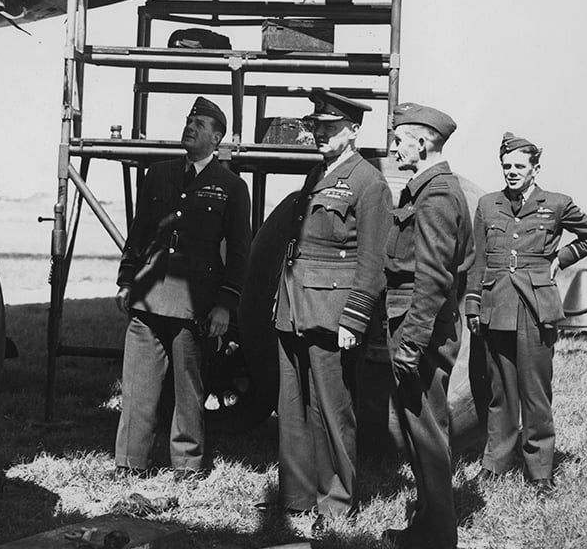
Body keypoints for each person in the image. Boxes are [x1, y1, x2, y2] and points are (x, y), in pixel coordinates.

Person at [268, 88, 392, 524]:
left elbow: (373, 260)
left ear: (353, 130)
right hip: (295, 305)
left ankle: (336, 503)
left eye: (330, 126)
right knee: (293, 405)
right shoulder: (316, 175)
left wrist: (355, 317)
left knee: (332, 410)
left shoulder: (368, 183)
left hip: (332, 312)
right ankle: (298, 496)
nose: (319, 133)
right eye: (316, 125)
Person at [114, 97, 251, 479]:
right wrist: (126, 280)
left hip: (195, 303)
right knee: (138, 387)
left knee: (189, 389)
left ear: (217, 138)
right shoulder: (159, 174)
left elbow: (240, 252)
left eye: (200, 124)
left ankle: (187, 465)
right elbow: (139, 232)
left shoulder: (231, 186)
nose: (190, 127)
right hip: (148, 297)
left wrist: (225, 304)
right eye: (189, 120)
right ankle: (129, 462)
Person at [465, 132, 587, 493]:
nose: (512, 172)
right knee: (500, 391)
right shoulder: (488, 204)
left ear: (535, 169)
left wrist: (561, 258)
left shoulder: (556, 204)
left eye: (519, 166)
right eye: (506, 166)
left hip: (536, 307)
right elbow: (478, 259)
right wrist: (473, 303)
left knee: (535, 393)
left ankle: (540, 471)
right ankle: (496, 463)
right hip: (497, 306)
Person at [381, 103, 474, 549]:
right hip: (418, 323)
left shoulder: (435, 196)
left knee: (428, 432)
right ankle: (426, 525)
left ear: (422, 142)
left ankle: (437, 536)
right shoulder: (428, 189)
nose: (394, 147)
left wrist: (411, 342)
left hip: (420, 328)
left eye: (400, 140)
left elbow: (434, 278)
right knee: (420, 430)